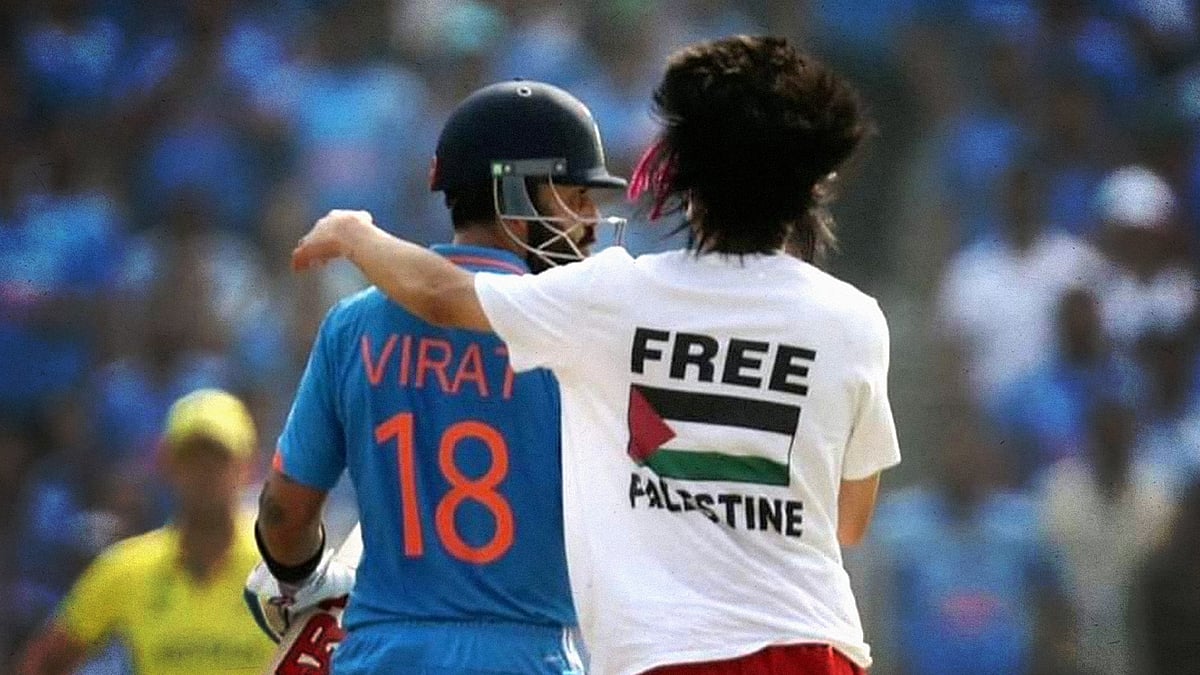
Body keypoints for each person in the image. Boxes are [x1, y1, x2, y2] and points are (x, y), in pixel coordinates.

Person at [291, 35, 901, 675]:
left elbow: (440, 294)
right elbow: (848, 520)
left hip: (665, 656)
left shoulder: (615, 297)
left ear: (685, 183)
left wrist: (352, 233)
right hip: (817, 647)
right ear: (811, 189)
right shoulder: (854, 319)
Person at [246, 79, 627, 674]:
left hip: (380, 653)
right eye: (577, 197)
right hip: (529, 656)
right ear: (517, 197)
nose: (592, 222)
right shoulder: (578, 333)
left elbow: (284, 517)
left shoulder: (352, 326)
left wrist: (305, 580)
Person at [17, 388, 275, 675]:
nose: (204, 472)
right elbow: (46, 661)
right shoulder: (128, 568)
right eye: (191, 459)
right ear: (168, 466)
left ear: (248, 467)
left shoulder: (281, 569)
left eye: (218, 458)